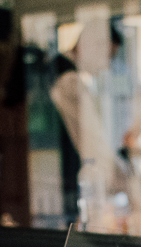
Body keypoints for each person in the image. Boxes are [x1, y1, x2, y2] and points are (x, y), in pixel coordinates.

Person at [50, 24, 125, 229]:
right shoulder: (69, 80)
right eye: (108, 56)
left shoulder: (59, 72)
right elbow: (90, 138)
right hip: (63, 175)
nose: (107, 65)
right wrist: (119, 177)